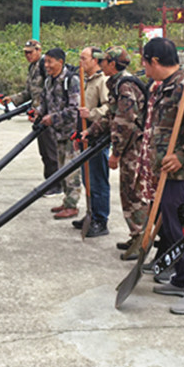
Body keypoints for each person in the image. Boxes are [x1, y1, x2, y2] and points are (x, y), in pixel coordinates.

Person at [137, 37, 184, 315]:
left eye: (145, 63)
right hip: (165, 173)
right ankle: (181, 280)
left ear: (154, 61)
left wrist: (182, 155)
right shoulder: (164, 87)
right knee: (171, 230)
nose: (144, 68)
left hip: (183, 175)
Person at [85, 46, 147, 256]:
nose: (100, 64)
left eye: (103, 61)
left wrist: (116, 153)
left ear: (112, 64)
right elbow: (110, 116)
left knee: (133, 193)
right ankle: (136, 235)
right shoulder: (117, 83)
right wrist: (90, 131)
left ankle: (141, 238)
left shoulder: (125, 86)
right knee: (127, 192)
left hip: (133, 148)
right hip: (129, 146)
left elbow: (124, 122)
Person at [1, 39, 61, 196]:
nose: (27, 55)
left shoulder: (45, 67)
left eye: (30, 52)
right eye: (25, 53)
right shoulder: (32, 67)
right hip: (38, 115)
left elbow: (52, 92)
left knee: (51, 151)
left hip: (48, 114)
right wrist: (13, 99)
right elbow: (29, 92)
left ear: (39, 51)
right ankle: (49, 182)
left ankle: (57, 184)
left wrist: (45, 111)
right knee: (44, 151)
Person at [37, 47, 81, 219]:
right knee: (61, 169)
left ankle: (72, 205)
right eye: (45, 62)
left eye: (50, 62)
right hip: (57, 133)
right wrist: (38, 114)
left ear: (60, 62)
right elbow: (44, 103)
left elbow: (74, 110)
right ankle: (66, 201)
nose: (46, 65)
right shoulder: (49, 81)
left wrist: (53, 118)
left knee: (71, 171)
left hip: (71, 133)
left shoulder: (71, 80)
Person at [73, 46, 111, 237]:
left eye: (84, 58)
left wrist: (91, 113)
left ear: (95, 60)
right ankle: (91, 212)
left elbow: (108, 108)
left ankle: (101, 220)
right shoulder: (86, 80)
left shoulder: (103, 81)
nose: (81, 62)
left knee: (97, 180)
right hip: (85, 135)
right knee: (87, 178)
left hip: (97, 136)